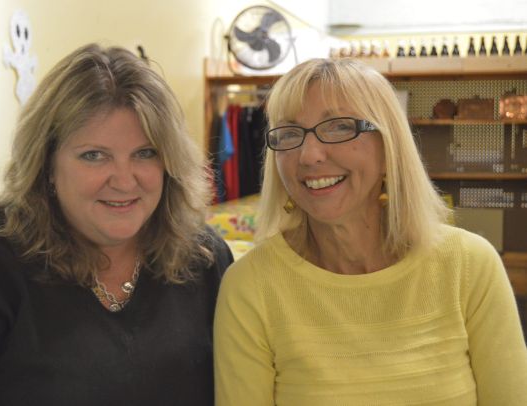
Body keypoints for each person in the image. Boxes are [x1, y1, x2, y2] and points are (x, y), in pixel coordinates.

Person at [0, 43, 233, 406]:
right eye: (94, 156)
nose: (124, 180)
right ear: (47, 164)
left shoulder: (204, 259)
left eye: (145, 153)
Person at [214, 58, 527, 405]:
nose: (309, 155)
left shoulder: (469, 266)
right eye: (289, 133)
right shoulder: (250, 286)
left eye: (339, 127)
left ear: (388, 145)